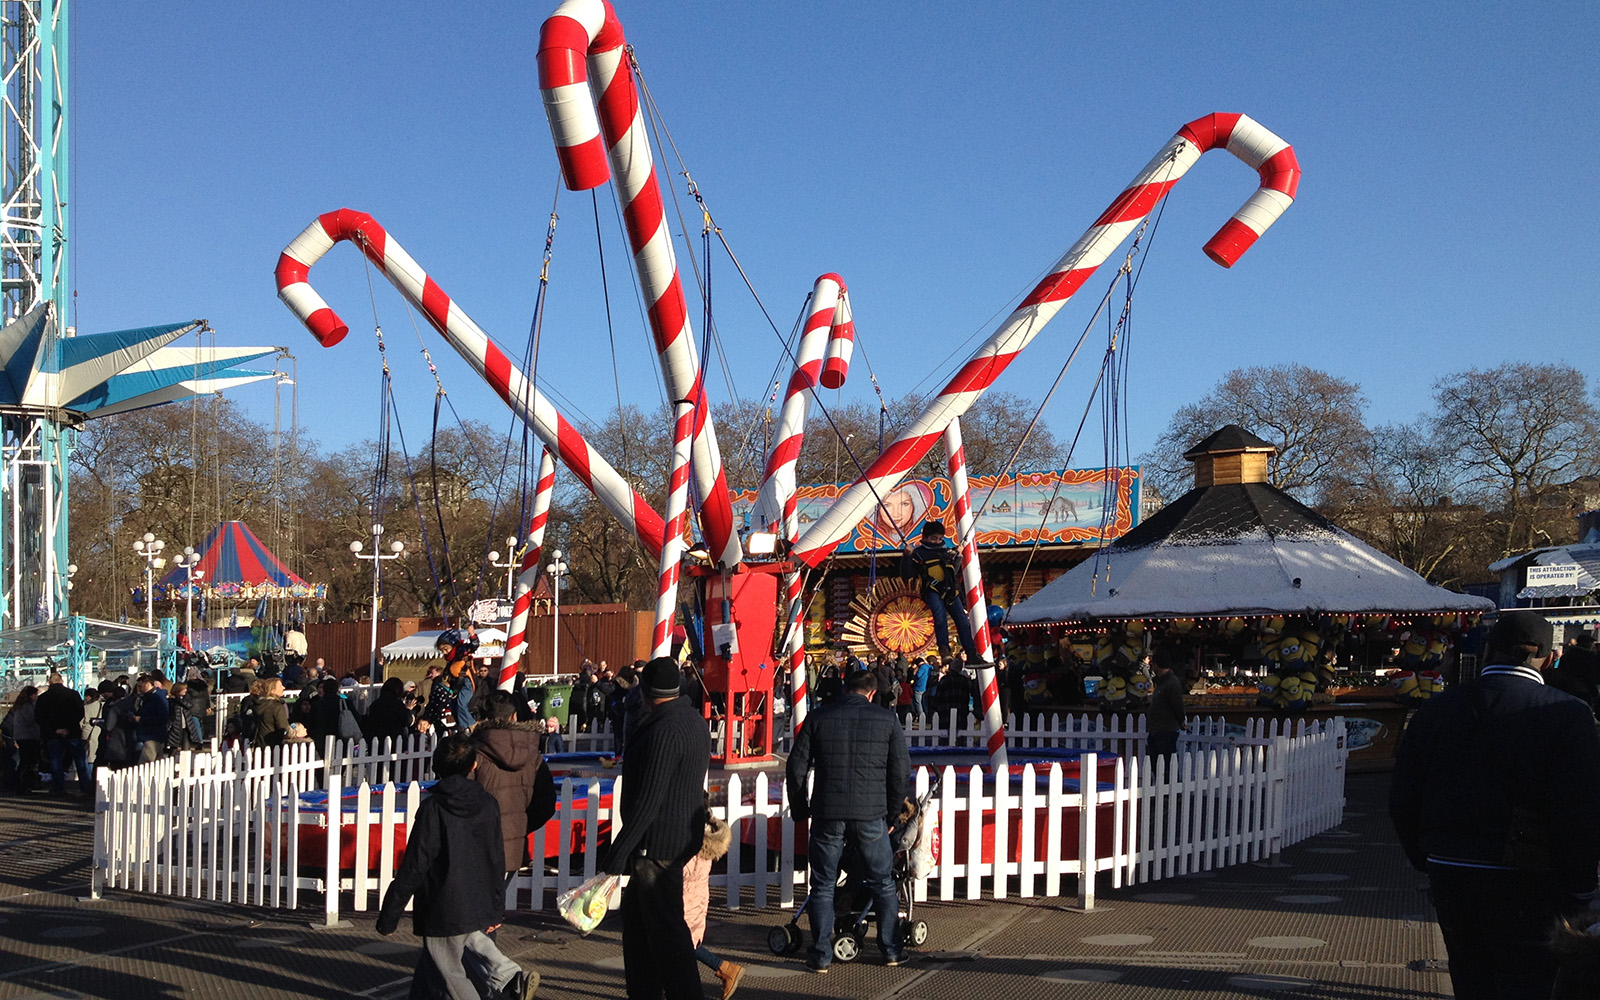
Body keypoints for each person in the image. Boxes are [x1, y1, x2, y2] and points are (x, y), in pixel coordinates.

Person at [1390, 610, 1600, 999]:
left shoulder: (1437, 710)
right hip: (1529, 874)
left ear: (1488, 650)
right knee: (1527, 980)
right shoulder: (1568, 714)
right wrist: (1581, 886)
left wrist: (1427, 854)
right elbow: (1578, 811)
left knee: (1470, 974)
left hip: (1450, 866)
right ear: (1549, 657)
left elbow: (1403, 794)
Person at [377, 736, 538, 1000]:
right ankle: (509, 977)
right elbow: (496, 858)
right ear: (474, 765)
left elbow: (416, 863)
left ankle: (509, 978)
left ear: (436, 766)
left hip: (442, 902)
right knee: (472, 944)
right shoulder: (488, 804)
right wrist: (496, 907)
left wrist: (390, 914)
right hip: (478, 898)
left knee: (448, 973)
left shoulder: (433, 808)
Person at [600, 657, 710, 1000]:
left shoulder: (663, 730)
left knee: (666, 931)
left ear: (646, 691)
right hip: (677, 835)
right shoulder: (692, 719)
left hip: (658, 844)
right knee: (638, 926)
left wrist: (619, 851)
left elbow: (650, 797)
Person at [785, 669, 910, 972]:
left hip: (828, 811)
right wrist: (893, 814)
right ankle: (891, 950)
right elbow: (899, 772)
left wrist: (801, 809)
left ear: (845, 688)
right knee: (882, 882)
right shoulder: (886, 721)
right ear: (870, 693)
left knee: (823, 885)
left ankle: (820, 955)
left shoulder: (818, 718)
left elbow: (796, 767)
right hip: (871, 813)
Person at [471, 691, 544, 884]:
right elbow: (545, 802)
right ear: (514, 716)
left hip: (479, 840)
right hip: (514, 842)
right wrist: (519, 824)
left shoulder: (474, 749)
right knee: (496, 901)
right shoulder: (531, 750)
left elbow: (462, 796)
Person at [682, 795, 742, 1000]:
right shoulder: (706, 842)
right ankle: (725, 969)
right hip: (696, 897)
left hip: (684, 899)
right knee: (686, 942)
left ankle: (725, 968)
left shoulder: (690, 844)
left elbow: (681, 872)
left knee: (679, 942)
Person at [899, 522, 979, 661]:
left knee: (962, 620)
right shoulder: (919, 554)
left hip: (950, 589)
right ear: (925, 538)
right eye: (933, 539)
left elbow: (953, 570)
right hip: (932, 589)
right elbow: (907, 574)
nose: (937, 542)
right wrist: (907, 556)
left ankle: (971, 653)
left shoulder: (947, 553)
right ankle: (944, 650)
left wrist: (959, 556)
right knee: (940, 617)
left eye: (939, 539)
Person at [35, 673, 90, 796]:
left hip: (52, 734)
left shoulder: (43, 698)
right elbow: (80, 713)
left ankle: (59, 788)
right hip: (72, 733)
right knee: (80, 760)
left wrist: (54, 730)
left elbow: (39, 718)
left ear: (49, 683)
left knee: (55, 761)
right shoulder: (73, 694)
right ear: (62, 681)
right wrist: (68, 728)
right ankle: (86, 788)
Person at [1146, 647, 1186, 765]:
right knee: (1155, 763)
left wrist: (1181, 721)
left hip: (1166, 730)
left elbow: (1177, 705)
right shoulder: (1162, 682)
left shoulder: (1171, 683)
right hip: (1157, 729)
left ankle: (1168, 782)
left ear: (1157, 665)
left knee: (1166, 763)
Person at [3, 685, 41, 793]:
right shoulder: (26, 706)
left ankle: (25, 784)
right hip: (27, 736)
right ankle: (22, 785)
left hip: (23, 736)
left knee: (25, 761)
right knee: (26, 761)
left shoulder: (20, 705)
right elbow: (30, 719)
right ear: (31, 695)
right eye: (35, 694)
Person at [129, 675, 170, 763]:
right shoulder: (150, 697)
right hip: (152, 735)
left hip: (152, 736)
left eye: (140, 686)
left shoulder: (157, 698)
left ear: (147, 684)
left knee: (144, 765)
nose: (138, 689)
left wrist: (141, 719)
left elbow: (163, 717)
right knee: (157, 764)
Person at [250, 678, 291, 748]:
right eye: (280, 686)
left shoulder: (257, 705)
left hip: (259, 743)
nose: (283, 687)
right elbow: (283, 728)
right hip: (274, 745)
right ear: (272, 690)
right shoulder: (277, 706)